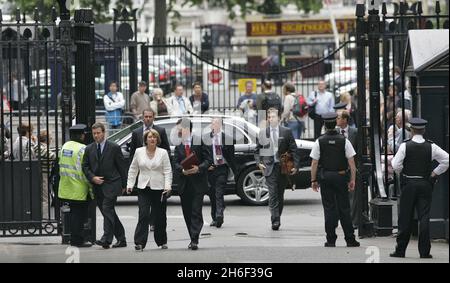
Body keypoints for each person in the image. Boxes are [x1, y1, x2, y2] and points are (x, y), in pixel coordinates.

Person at [390, 118, 449, 259]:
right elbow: (447, 160)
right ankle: (424, 251)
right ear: (424, 130)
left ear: (411, 130)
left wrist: (403, 172)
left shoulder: (405, 146)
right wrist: (434, 173)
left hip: (409, 184)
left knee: (405, 217)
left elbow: (395, 164)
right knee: (424, 217)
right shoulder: (431, 146)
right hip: (425, 184)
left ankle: (400, 250)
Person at [310, 112, 360, 248]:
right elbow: (352, 164)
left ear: (325, 125)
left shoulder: (319, 141)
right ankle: (350, 239)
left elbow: (314, 163)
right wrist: (352, 180)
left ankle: (331, 239)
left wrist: (313, 180)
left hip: (325, 177)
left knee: (329, 208)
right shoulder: (344, 141)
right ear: (334, 123)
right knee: (344, 208)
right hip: (341, 176)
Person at [82, 123, 127, 249]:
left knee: (107, 209)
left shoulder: (114, 147)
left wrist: (124, 185)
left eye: (98, 133)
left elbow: (121, 167)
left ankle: (106, 239)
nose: (96, 136)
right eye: (94, 133)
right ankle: (121, 238)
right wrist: (92, 177)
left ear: (104, 132)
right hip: (97, 185)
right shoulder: (89, 148)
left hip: (112, 183)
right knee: (108, 212)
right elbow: (85, 167)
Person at [127, 129, 172, 251]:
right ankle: (139, 242)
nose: (152, 139)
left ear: (157, 140)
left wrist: (168, 186)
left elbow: (167, 171)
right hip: (143, 188)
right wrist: (130, 184)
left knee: (160, 216)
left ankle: (162, 240)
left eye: (154, 137)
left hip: (159, 188)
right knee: (143, 214)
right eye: (149, 137)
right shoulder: (138, 151)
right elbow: (133, 169)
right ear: (146, 140)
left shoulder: (163, 153)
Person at [255, 108, 299, 231]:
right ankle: (275, 220)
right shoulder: (263, 133)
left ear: (279, 118)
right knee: (273, 194)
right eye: (269, 117)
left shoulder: (286, 132)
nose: (271, 119)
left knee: (280, 194)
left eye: (273, 116)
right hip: (269, 167)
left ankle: (277, 215)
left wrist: (296, 165)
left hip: (283, 168)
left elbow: (294, 150)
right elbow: (257, 150)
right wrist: (259, 163)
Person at [173, 118, 212, 250]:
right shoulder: (178, 145)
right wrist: (182, 170)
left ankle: (194, 239)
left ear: (187, 129)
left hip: (198, 183)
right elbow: (176, 163)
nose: (177, 130)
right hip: (184, 184)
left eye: (180, 128)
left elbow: (208, 160)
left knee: (196, 211)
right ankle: (192, 237)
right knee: (187, 212)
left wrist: (199, 168)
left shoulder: (199, 141)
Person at [130, 109, 170, 231]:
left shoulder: (160, 131)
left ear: (154, 117)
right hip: (143, 171)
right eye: (145, 116)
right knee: (143, 207)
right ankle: (143, 231)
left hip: (157, 171)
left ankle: (154, 223)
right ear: (142, 118)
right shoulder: (136, 132)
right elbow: (133, 154)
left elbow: (166, 149)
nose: (147, 119)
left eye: (150, 116)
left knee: (157, 206)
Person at [58, 124, 93, 248]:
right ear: (82, 135)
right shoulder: (83, 148)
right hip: (79, 187)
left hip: (66, 186)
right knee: (79, 216)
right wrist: (91, 189)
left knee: (73, 214)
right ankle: (77, 240)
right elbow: (85, 170)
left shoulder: (65, 146)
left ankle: (74, 238)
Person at [205, 118, 236, 228]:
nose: (215, 125)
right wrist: (206, 166)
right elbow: (202, 155)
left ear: (221, 125)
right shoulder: (205, 139)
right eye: (213, 123)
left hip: (222, 168)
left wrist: (233, 170)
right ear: (211, 126)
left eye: (217, 123)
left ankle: (219, 215)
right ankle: (214, 217)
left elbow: (231, 156)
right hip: (210, 169)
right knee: (212, 194)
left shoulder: (227, 138)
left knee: (219, 192)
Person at [33, 130, 57, 219]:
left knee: (46, 198)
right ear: (47, 139)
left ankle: (44, 219)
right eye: (50, 137)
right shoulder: (39, 147)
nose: (51, 139)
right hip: (42, 175)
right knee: (46, 199)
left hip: (45, 175)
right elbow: (53, 156)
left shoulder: (41, 147)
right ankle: (44, 220)